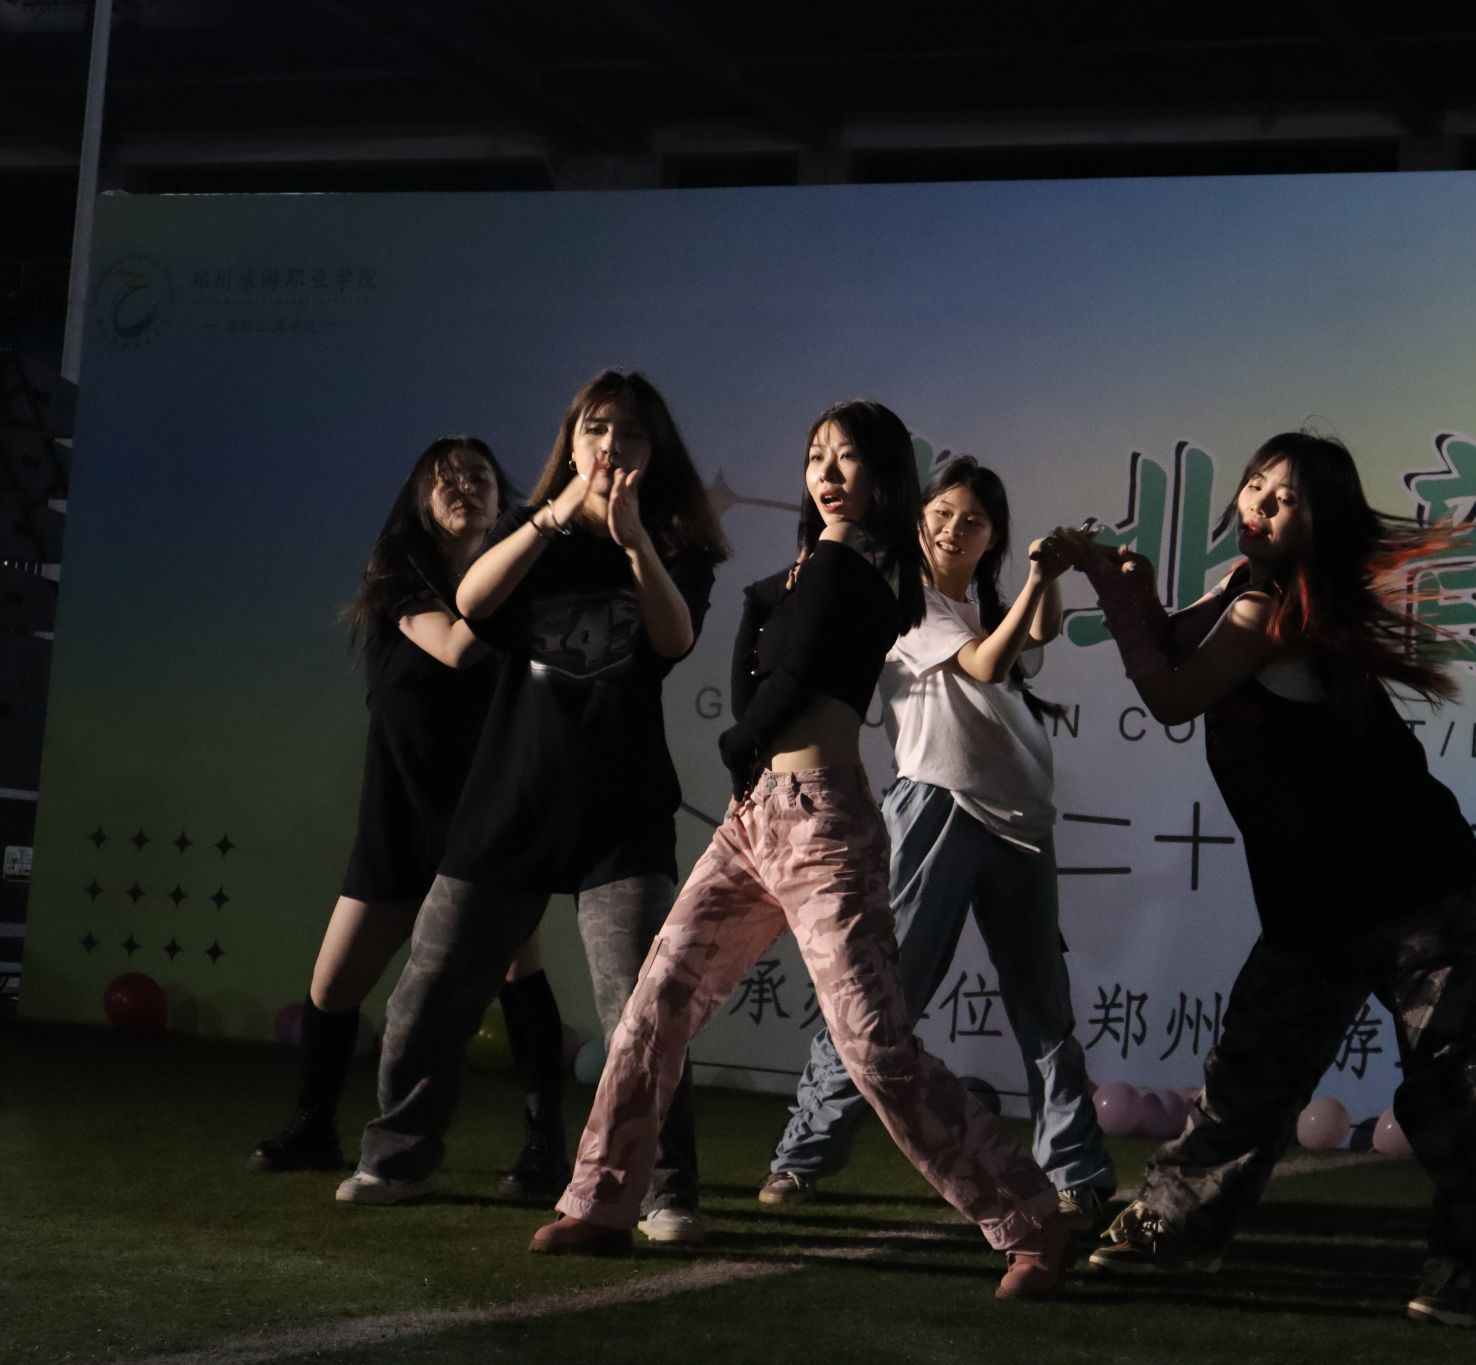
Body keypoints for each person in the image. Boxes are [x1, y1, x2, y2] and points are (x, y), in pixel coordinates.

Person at [532, 400, 1073, 1300]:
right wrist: (748, 748)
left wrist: (740, 739)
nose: (825, 471)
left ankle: (1032, 1218)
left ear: (884, 476)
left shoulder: (866, 568)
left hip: (823, 823)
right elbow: (761, 638)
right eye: (816, 455)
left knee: (874, 1047)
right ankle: (602, 1201)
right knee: (654, 1004)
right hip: (754, 819)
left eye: (847, 457)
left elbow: (794, 669)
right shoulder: (805, 569)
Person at [1058, 430, 1476, 1327]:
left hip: (1407, 883)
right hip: (1314, 898)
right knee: (1252, 1066)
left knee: (1454, 1079)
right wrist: (1125, 586)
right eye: (1256, 486)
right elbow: (1172, 643)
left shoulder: (1272, 611)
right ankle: (1181, 1225)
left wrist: (1114, 598)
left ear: (1321, 526)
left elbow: (1171, 694)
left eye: (1287, 500)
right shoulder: (1245, 587)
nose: (1261, 505)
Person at [335, 370, 727, 1240]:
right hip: (506, 804)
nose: (611, 446)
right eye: (596, 429)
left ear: (654, 452)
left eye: (630, 433)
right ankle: (397, 1156)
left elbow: (673, 639)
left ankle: (664, 1190)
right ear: (572, 442)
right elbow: (471, 603)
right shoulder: (528, 530)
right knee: (430, 994)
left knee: (643, 1015)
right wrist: (552, 517)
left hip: (621, 814)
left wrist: (634, 541)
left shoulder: (675, 542)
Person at [757, 455, 1115, 1225]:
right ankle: (802, 1153)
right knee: (882, 996)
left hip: (1023, 822)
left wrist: (1048, 576)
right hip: (938, 811)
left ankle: (1078, 1170)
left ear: (992, 539)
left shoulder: (983, 606)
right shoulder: (906, 606)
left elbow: (1038, 633)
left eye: (973, 521)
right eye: (942, 514)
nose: (954, 529)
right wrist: (1038, 577)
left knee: (1043, 1002)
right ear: (917, 521)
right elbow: (987, 665)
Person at [249, 437, 567, 1196]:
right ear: (422, 501)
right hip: (398, 817)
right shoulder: (400, 583)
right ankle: (314, 1126)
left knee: (519, 972)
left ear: (499, 496)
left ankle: (545, 1144)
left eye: (478, 476)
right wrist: (534, 558)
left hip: (486, 821)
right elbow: (454, 646)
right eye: (445, 479)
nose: (462, 487)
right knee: (332, 986)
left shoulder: (523, 588)